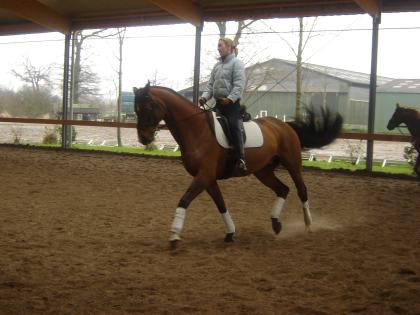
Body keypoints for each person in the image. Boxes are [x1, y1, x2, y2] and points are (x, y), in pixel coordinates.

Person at [199, 38, 247, 171]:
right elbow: (210, 85)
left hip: (232, 105)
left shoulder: (237, 63)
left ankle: (241, 158)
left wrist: (230, 99)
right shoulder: (217, 66)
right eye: (218, 46)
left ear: (229, 47)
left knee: (234, 125)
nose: (218, 48)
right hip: (218, 104)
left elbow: (239, 85)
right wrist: (204, 98)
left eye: (220, 46)